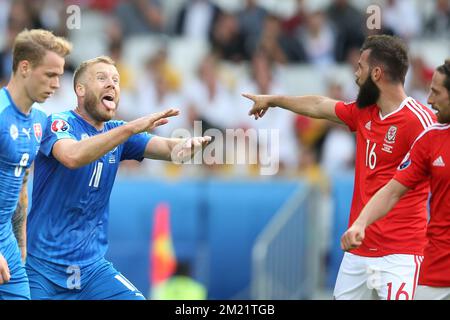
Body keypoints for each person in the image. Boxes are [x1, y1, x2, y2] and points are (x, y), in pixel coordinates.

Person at [243, 34, 436, 300]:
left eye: (360, 67)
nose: (355, 74)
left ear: (377, 73)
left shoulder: (421, 121)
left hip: (400, 254)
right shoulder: (365, 111)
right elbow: (320, 105)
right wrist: (275, 100)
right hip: (358, 250)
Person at [24, 55, 210, 300]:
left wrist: (188, 146)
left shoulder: (118, 132)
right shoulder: (59, 123)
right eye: (101, 78)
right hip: (44, 269)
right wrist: (129, 129)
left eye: (116, 80)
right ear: (80, 89)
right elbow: (72, 156)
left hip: (92, 270)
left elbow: (169, 149)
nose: (111, 84)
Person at [341, 60, 450, 300]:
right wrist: (361, 223)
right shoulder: (430, 140)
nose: (429, 100)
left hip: (402, 254)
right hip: (437, 271)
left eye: (436, 92)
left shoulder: (418, 121)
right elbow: (392, 191)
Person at [0, 29, 72, 300]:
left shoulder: (40, 121)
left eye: (60, 75)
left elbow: (21, 188)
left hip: (6, 239)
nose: (57, 84)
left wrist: (20, 245)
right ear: (25, 67)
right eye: (50, 74)